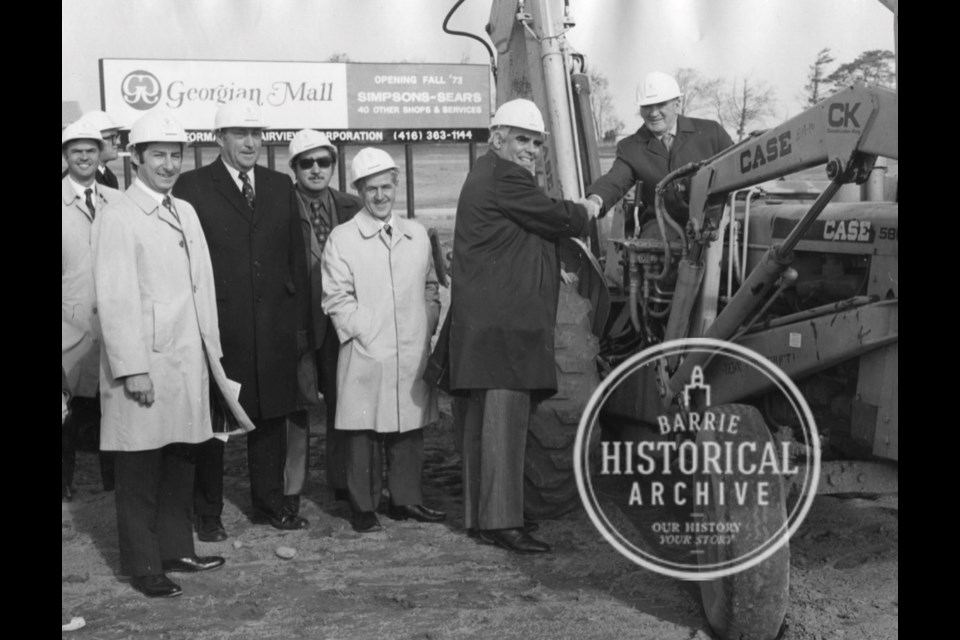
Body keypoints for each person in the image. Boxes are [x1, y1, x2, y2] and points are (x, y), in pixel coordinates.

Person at [93, 110, 253, 598]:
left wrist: (212, 356)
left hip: (188, 360)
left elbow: (201, 288)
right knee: (140, 467)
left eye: (175, 154)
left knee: (181, 457)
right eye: (157, 155)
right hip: (146, 364)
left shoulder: (182, 209)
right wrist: (132, 369)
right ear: (136, 159)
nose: (167, 164)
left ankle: (176, 547)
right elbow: (115, 298)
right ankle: (144, 566)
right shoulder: (117, 214)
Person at [448, 99, 599, 554]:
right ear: (498, 138)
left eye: (536, 142)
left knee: (483, 427)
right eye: (522, 139)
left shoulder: (486, 172)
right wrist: (588, 207)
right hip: (505, 329)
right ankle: (502, 523)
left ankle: (483, 517)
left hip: (487, 326)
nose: (531, 150)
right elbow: (560, 218)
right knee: (504, 425)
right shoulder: (506, 177)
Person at [173, 100, 311, 540]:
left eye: (256, 133)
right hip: (220, 328)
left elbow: (295, 261)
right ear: (220, 139)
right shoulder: (193, 186)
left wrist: (298, 326)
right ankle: (207, 513)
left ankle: (269, 504)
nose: (251, 142)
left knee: (270, 417)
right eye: (239, 134)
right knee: (214, 425)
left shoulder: (278, 185)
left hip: (272, 326)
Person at [321, 147, 446, 533]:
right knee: (363, 431)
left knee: (408, 427)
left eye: (385, 187)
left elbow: (431, 286)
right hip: (366, 350)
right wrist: (365, 331)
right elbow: (336, 298)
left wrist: (424, 323)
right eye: (371, 188)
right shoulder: (343, 238)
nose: (379, 196)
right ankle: (364, 506)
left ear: (396, 185)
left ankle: (406, 499)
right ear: (359, 189)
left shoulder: (417, 235)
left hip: (410, 346)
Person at [284, 129, 363, 516]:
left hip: (338, 320)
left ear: (334, 165)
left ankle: (342, 481)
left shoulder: (352, 206)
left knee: (342, 400)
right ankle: (291, 489)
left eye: (324, 162)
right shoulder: (279, 206)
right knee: (296, 406)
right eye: (307, 163)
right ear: (293, 168)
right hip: (296, 323)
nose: (316, 169)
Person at [586, 71, 734, 229]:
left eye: (661, 105)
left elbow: (737, 169)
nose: (654, 113)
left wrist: (727, 213)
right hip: (661, 227)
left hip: (715, 222)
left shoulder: (711, 132)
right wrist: (594, 201)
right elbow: (615, 180)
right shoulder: (630, 148)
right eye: (647, 106)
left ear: (676, 104)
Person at [61, 119, 120, 501]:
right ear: (66, 156)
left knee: (113, 407)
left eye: (90, 150)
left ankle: (114, 484)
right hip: (68, 325)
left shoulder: (117, 200)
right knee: (66, 412)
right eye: (75, 150)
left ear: (100, 155)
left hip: (113, 323)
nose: (84, 156)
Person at [63, 110, 123, 189]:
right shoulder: (71, 181)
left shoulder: (110, 177)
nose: (118, 142)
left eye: (117, 137)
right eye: (112, 137)